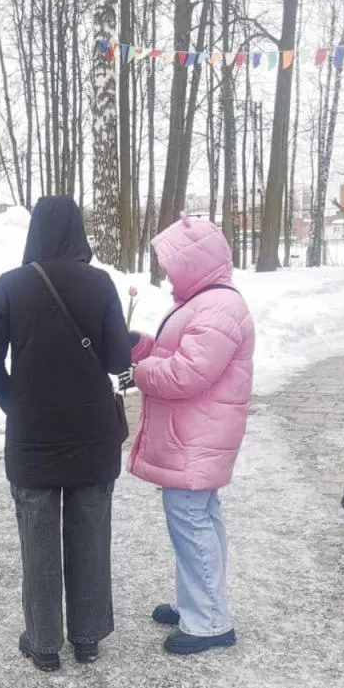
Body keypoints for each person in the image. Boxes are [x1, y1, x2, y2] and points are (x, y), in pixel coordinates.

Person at [0, 196, 132, 671]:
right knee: (91, 535)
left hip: (33, 434)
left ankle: (44, 643)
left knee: (38, 540)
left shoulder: (10, 285)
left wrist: (16, 403)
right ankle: (87, 638)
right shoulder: (100, 283)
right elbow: (118, 361)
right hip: (92, 431)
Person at [126, 217, 255, 657]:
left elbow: (187, 373)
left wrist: (139, 371)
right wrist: (142, 346)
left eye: (169, 264)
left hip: (196, 437)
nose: (166, 274)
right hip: (195, 434)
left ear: (192, 261)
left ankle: (210, 622)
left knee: (191, 521)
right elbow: (182, 354)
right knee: (198, 518)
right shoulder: (205, 301)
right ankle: (196, 605)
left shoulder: (217, 307)